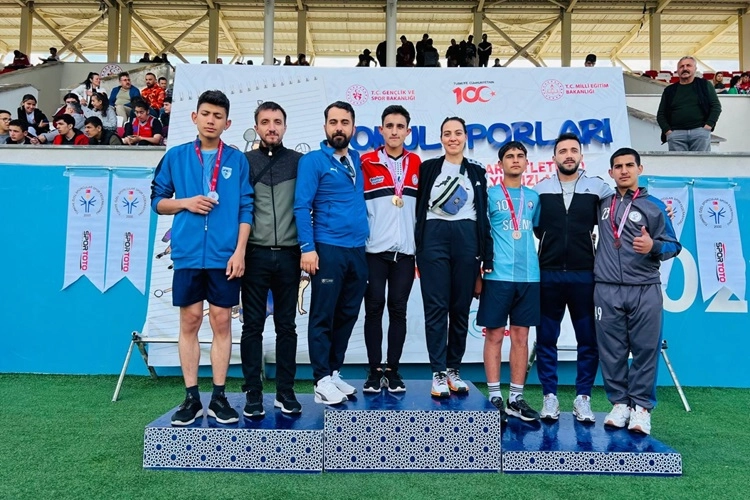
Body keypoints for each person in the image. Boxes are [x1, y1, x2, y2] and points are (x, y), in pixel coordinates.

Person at [151, 89, 254, 427]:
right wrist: (186, 202)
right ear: (195, 117)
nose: (211, 121)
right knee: (191, 321)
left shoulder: (237, 160)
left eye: (218, 116)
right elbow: (158, 201)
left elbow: (246, 208)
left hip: (225, 256)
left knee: (222, 322)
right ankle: (192, 397)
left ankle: (219, 397)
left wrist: (239, 251)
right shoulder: (176, 156)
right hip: (188, 254)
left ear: (227, 123)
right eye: (206, 114)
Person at [595, 147, 681, 435]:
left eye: (629, 165)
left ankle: (641, 408)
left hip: (644, 288)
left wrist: (653, 246)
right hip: (607, 289)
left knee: (645, 350)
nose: (624, 170)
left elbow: (674, 246)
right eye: (618, 166)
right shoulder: (601, 204)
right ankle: (620, 404)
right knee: (612, 351)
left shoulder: (655, 206)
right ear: (610, 172)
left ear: (639, 169)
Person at [533, 133, 613, 423]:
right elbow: (536, 227)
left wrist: (661, 208)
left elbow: (624, 207)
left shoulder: (599, 188)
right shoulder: (540, 189)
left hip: (584, 275)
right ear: (554, 157)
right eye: (563, 151)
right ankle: (549, 397)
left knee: (588, 340)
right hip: (548, 274)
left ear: (581, 156)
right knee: (546, 339)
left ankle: (583, 398)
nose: (568, 155)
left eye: (573, 150)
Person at [293, 101, 369, 405]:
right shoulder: (313, 161)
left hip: (357, 249)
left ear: (353, 127)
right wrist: (308, 248)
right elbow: (302, 206)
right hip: (327, 248)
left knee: (348, 314)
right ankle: (321, 379)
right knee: (323, 314)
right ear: (325, 126)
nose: (339, 127)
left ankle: (334, 372)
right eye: (333, 122)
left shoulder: (357, 159)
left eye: (344, 122)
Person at [415, 116, 492, 398]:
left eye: (457, 133)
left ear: (465, 137)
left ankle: (453, 370)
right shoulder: (428, 168)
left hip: (467, 237)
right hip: (433, 237)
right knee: (436, 307)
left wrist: (485, 257)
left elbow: (482, 213)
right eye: (447, 133)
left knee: (460, 307)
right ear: (441, 138)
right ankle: (437, 372)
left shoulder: (477, 171)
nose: (452, 138)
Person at [241, 101, 304, 417]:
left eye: (277, 122)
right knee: (252, 327)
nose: (271, 127)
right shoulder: (244, 162)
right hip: (254, 254)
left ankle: (285, 392)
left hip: (290, 255)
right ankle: (253, 393)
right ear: (257, 127)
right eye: (265, 122)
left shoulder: (299, 162)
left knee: (287, 327)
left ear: (285, 126)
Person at [360, 105, 422, 394]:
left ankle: (393, 371)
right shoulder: (366, 162)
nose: (394, 131)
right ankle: (375, 371)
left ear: (408, 131)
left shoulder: (417, 163)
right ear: (381, 130)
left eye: (400, 126)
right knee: (373, 310)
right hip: (373, 252)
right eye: (389, 126)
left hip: (405, 254)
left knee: (398, 310)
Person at [478, 141, 540, 422]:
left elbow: (538, 230)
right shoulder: (490, 195)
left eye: (520, 156)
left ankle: (516, 398)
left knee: (521, 336)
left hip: (529, 276)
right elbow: (481, 234)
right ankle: (494, 395)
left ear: (526, 162)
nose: (515, 160)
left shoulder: (534, 197)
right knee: (494, 335)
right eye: (510, 156)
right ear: (500, 164)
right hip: (497, 275)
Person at [656, 56, 722, 151]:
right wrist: (668, 131)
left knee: (701, 160)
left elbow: (716, 106)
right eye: (681, 66)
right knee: (678, 161)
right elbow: (661, 114)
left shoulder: (704, 85)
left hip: (700, 133)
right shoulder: (669, 90)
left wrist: (708, 126)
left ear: (695, 68)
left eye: (688, 65)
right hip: (676, 135)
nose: (685, 68)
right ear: (677, 70)